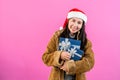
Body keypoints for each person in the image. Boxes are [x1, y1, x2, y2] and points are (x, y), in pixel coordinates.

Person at [42, 8, 95, 80]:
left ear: (82, 25)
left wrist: (73, 66)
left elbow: (90, 62)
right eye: (73, 20)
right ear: (68, 21)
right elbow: (45, 57)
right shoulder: (57, 36)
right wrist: (59, 55)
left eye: (79, 23)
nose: (75, 25)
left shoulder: (86, 42)